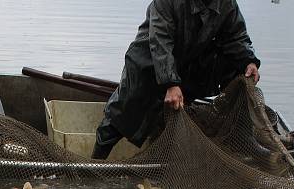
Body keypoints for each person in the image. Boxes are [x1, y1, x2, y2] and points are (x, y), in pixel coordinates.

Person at [92, 0, 260, 159]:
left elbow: (236, 36)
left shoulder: (226, 3)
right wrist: (171, 83)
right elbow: (160, 41)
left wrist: (249, 61)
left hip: (189, 63)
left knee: (237, 66)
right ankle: (96, 159)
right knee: (123, 112)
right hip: (147, 61)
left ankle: (244, 138)